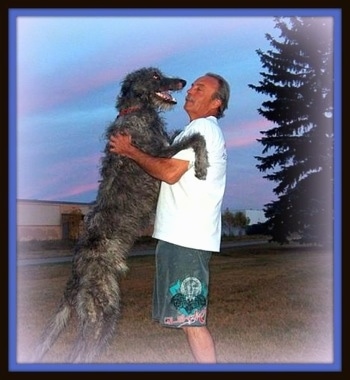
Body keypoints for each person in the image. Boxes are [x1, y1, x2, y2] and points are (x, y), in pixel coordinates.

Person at [109, 73, 230, 363]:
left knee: (193, 320)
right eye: (193, 86)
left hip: (186, 240)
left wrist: (129, 150)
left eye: (200, 89)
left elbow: (169, 173)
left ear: (216, 103)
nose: (191, 91)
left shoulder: (202, 128)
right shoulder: (195, 131)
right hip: (182, 239)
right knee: (188, 320)